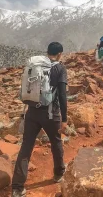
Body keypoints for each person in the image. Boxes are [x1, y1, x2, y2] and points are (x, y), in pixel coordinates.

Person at [12, 42, 68, 197]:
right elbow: (62, 95)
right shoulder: (59, 68)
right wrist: (64, 118)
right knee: (56, 142)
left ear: (47, 52)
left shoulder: (36, 66)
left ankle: (17, 187)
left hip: (31, 112)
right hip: (51, 114)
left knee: (26, 147)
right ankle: (58, 173)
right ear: (60, 54)